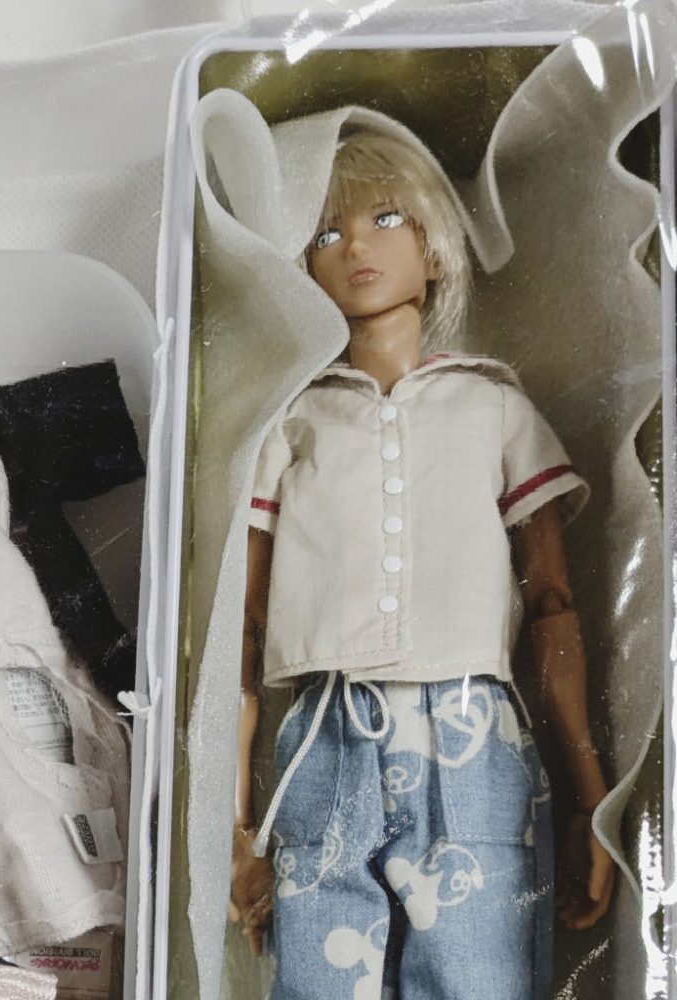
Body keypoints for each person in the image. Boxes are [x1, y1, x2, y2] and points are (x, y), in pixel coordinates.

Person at [228, 124, 616, 1000]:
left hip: (473, 734)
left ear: (433, 245)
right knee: (318, 980)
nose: (355, 246)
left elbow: (552, 605)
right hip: (327, 730)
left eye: (385, 218)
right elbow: (241, 633)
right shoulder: (293, 422)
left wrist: (590, 797)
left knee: (481, 976)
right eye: (325, 234)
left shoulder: (493, 407)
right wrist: (235, 824)